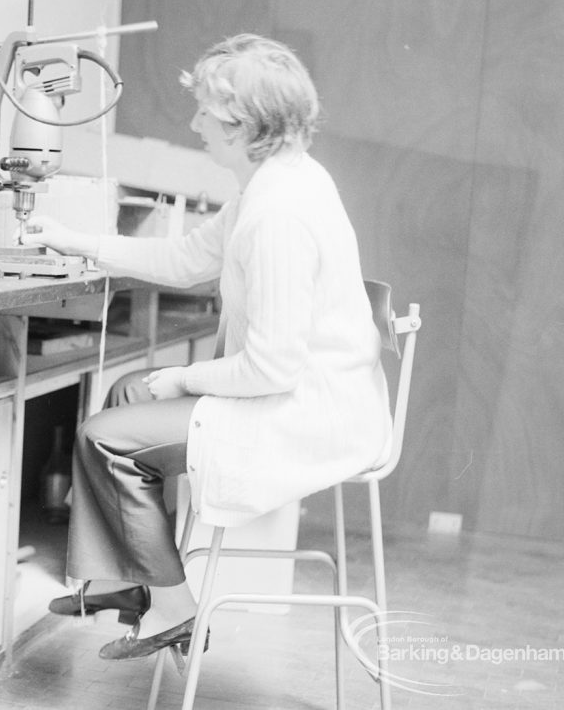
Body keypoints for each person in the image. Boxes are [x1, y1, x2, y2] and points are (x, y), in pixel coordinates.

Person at [21, 34, 392, 660]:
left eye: (205, 113)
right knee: (125, 394)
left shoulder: (279, 213)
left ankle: (177, 611)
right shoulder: (271, 183)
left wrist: (188, 380)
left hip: (302, 411)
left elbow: (274, 366)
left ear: (243, 125)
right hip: (297, 392)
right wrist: (74, 240)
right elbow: (185, 257)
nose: (194, 123)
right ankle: (134, 585)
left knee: (104, 438)